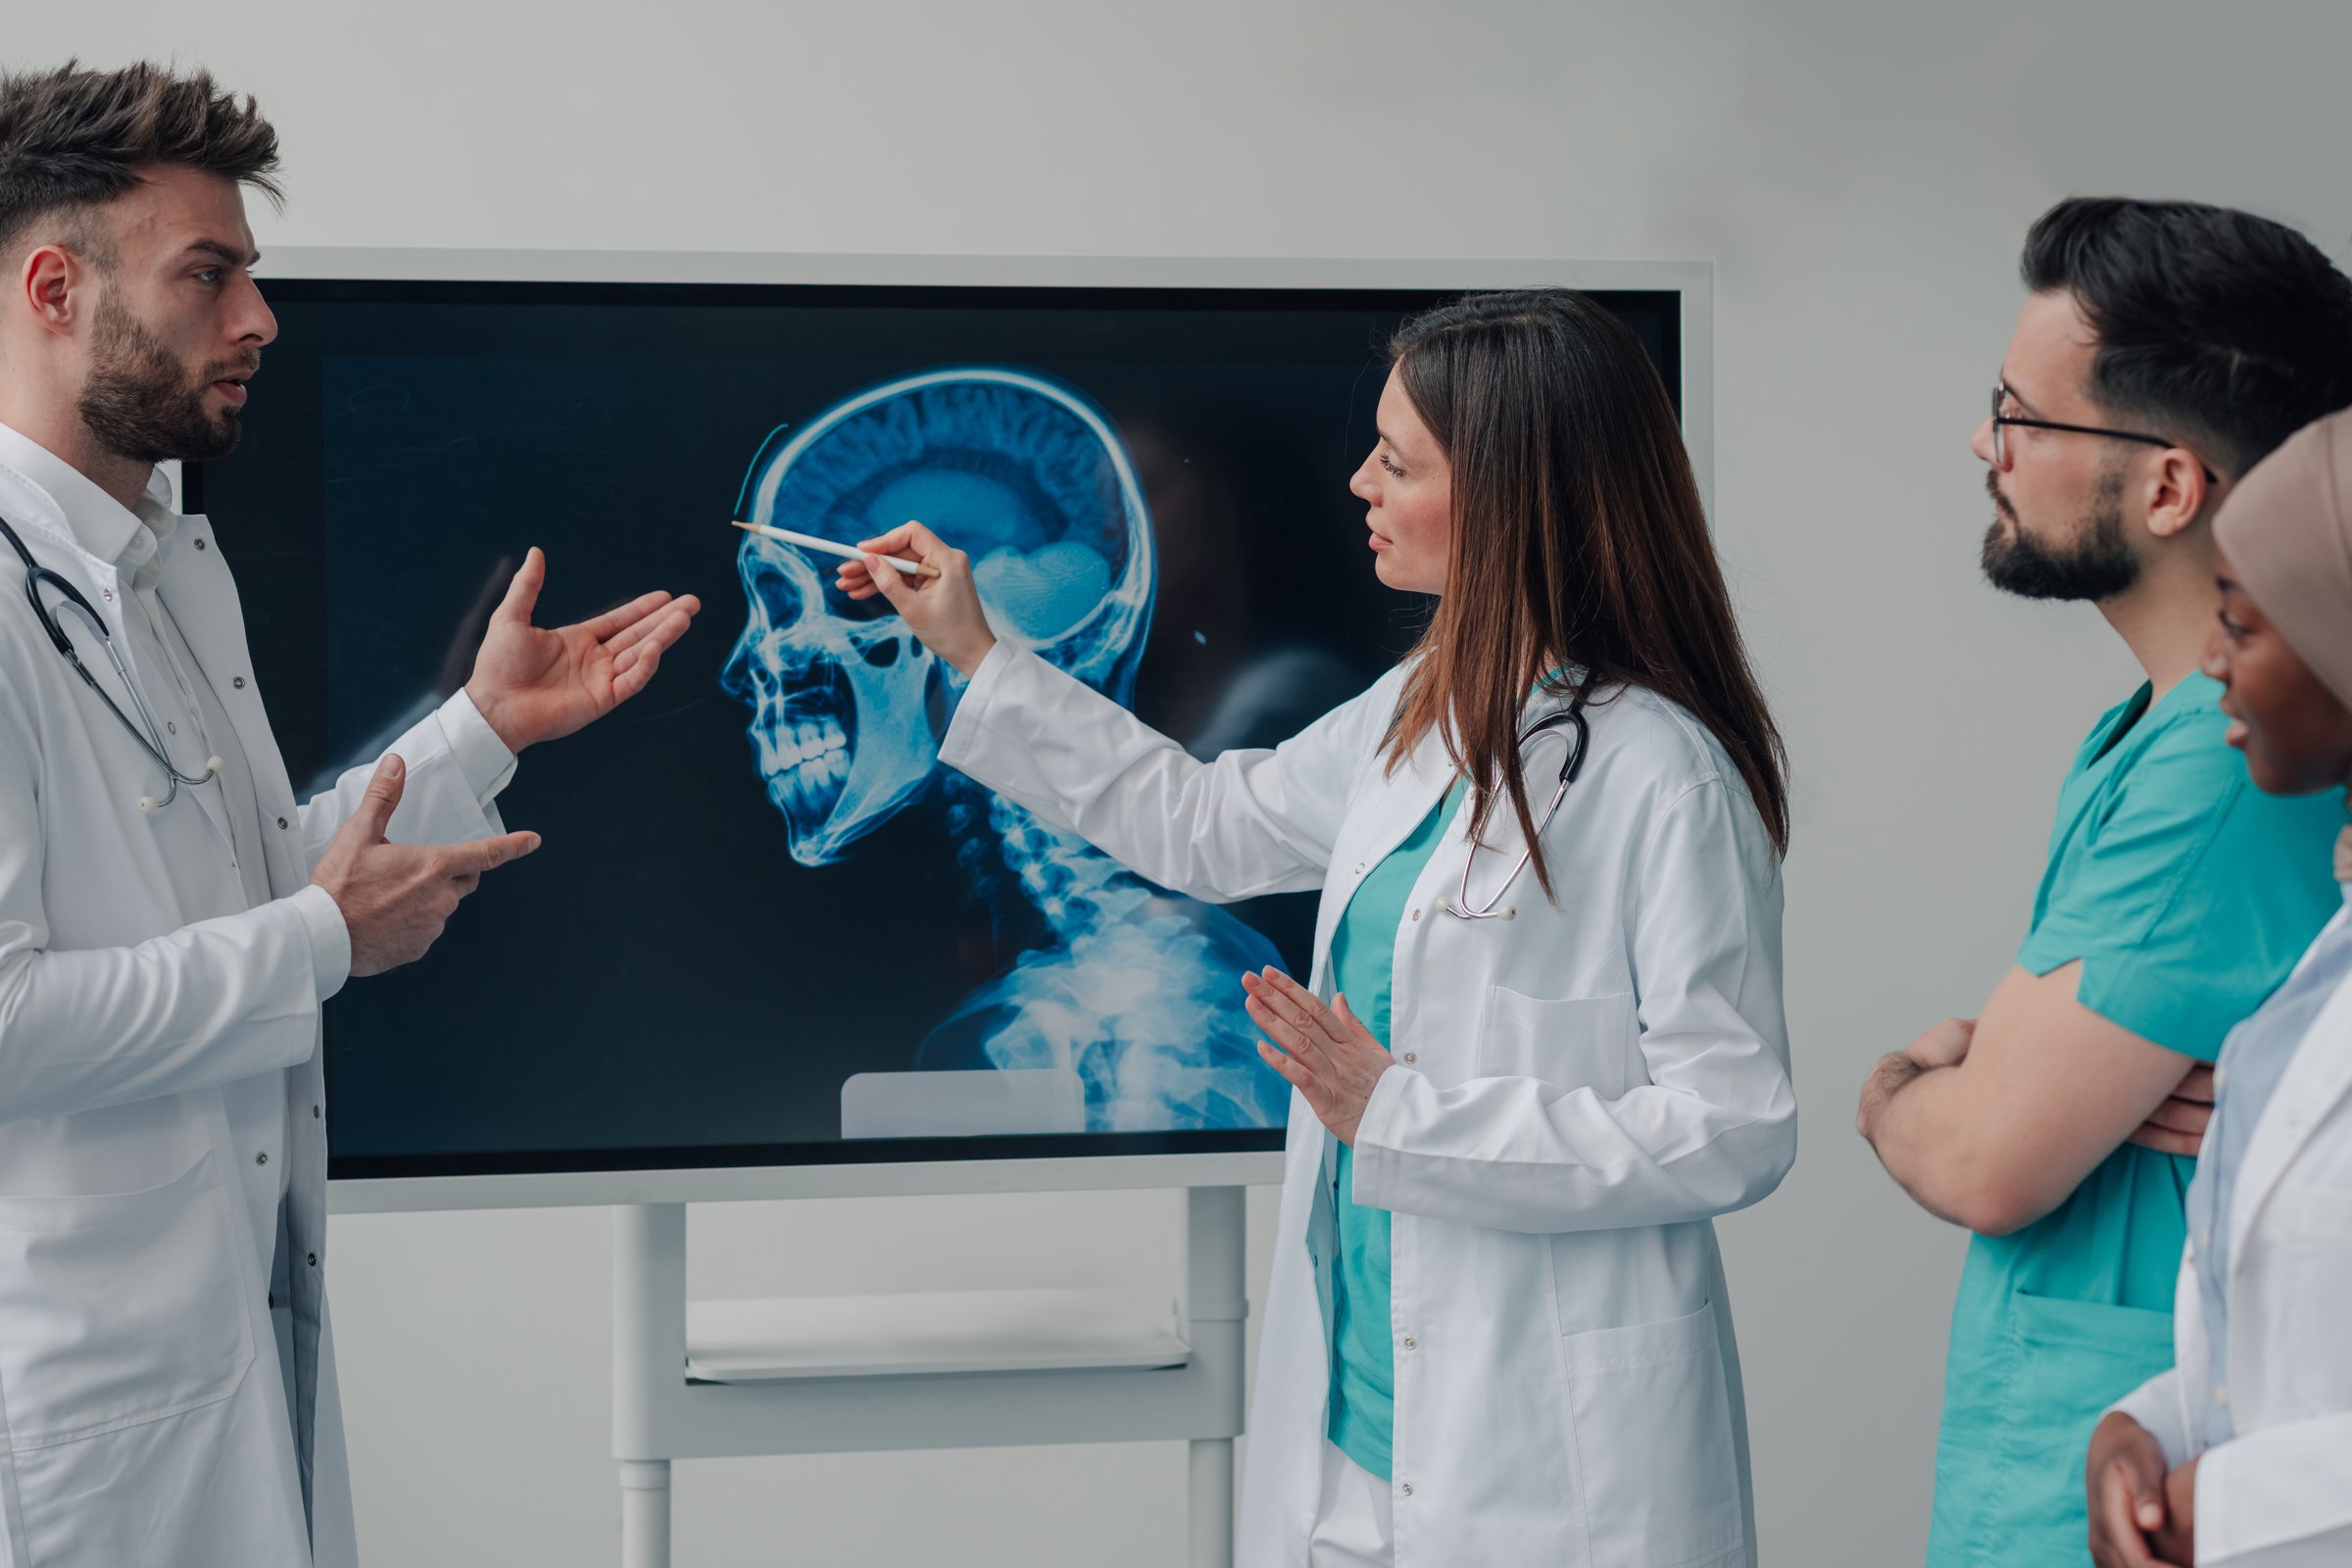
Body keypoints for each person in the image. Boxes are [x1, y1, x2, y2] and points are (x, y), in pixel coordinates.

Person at [843, 288, 1797, 1568]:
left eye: (1397, 461)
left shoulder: (1663, 778)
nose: (1359, 482)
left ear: (1509, 497)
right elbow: (1203, 826)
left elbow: (1735, 1126)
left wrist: (1401, 1114)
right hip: (1358, 1427)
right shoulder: (1423, 706)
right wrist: (976, 650)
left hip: (1548, 1460)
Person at [0, 63, 700, 1568]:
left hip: (222, 1363)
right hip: (68, 1423)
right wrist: (320, 941)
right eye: (210, 274)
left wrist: (482, 729)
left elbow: (254, 880)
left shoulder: (169, 569)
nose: (260, 319)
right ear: (55, 290)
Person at [1853, 197, 2352, 1568]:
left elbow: (1988, 1156)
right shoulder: (2155, 733)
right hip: (2114, 1435)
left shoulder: (2219, 774)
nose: (1986, 446)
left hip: (2145, 1509)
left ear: (2171, 486)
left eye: (2018, 415)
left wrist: (1894, 1088)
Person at [2086, 408, 2352, 1568]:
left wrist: (2235, 1506)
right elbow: (2284, 1347)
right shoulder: (2321, 973)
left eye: (2239, 621)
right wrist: (2145, 1428)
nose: (2209, 660)